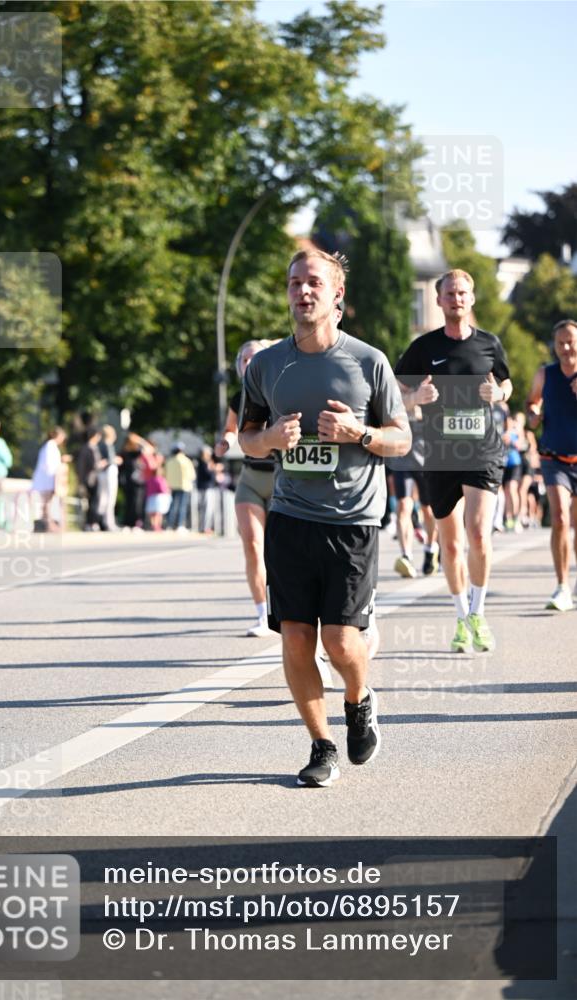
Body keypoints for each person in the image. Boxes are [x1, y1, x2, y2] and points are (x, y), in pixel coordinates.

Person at [239, 248, 411, 787]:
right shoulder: (266, 365)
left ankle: (359, 700)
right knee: (295, 638)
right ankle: (322, 745)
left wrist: (360, 433)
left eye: (313, 282)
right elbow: (247, 437)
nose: (302, 291)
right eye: (294, 282)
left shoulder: (368, 362)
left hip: (352, 520)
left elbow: (402, 439)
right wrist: (270, 439)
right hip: (290, 515)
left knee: (339, 641)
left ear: (337, 294)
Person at [395, 269, 513, 654]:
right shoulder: (423, 347)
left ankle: (478, 613)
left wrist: (498, 394)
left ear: (472, 298)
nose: (457, 299)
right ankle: (461, 617)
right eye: (450, 294)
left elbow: (506, 383)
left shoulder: (489, 344)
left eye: (462, 293)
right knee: (450, 544)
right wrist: (415, 399)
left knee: (477, 534)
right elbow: (395, 390)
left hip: (482, 451)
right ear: (439, 300)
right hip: (441, 454)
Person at [215, 339, 277, 636]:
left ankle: (287, 609)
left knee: (281, 553)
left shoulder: (281, 390)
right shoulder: (239, 397)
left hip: (281, 479)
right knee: (252, 546)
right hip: (250, 479)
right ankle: (262, 614)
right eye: (245, 359)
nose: (250, 364)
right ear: (238, 366)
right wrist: (226, 441)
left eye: (256, 358)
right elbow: (230, 428)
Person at [526, 319, 577, 611]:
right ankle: (562, 586)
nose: (566, 348)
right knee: (559, 518)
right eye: (561, 343)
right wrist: (533, 414)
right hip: (553, 458)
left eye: (571, 342)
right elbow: (531, 403)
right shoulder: (545, 374)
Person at [387, 406, 439, 578]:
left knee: (428, 510)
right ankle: (406, 556)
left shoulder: (429, 392)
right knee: (403, 506)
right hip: (401, 460)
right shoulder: (396, 393)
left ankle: (430, 548)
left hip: (425, 460)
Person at [31, 427, 68, 531]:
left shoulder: (49, 446)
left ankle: (46, 523)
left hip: (47, 479)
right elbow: (49, 464)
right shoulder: (50, 446)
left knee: (47, 502)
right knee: (46, 502)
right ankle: (46, 524)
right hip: (47, 479)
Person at [119, 431, 151, 529]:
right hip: (127, 481)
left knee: (137, 503)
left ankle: (137, 523)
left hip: (138, 482)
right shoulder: (124, 453)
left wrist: (140, 440)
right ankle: (128, 523)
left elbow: (149, 449)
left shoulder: (137, 453)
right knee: (129, 503)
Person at [77, 427, 106, 531]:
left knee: (95, 500)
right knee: (92, 501)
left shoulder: (94, 447)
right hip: (90, 478)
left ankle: (92, 521)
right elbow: (83, 466)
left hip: (95, 477)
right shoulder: (86, 448)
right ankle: (90, 523)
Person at [165, 442, 196, 531]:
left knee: (172, 505)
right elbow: (192, 475)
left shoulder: (169, 461)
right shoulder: (186, 461)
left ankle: (169, 525)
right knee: (182, 506)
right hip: (184, 486)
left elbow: (166, 474)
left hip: (172, 486)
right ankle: (180, 525)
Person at [98, 424, 122, 531]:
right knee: (110, 498)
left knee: (103, 497)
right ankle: (108, 522)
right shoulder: (108, 445)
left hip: (103, 473)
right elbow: (109, 460)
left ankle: (103, 521)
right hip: (109, 472)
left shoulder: (100, 444)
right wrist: (116, 460)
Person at [195, 446, 217, 533]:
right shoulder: (203, 463)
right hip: (206, 488)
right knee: (207, 509)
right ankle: (204, 527)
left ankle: (204, 527)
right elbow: (209, 475)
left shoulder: (203, 463)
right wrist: (214, 469)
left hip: (205, 488)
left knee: (206, 509)